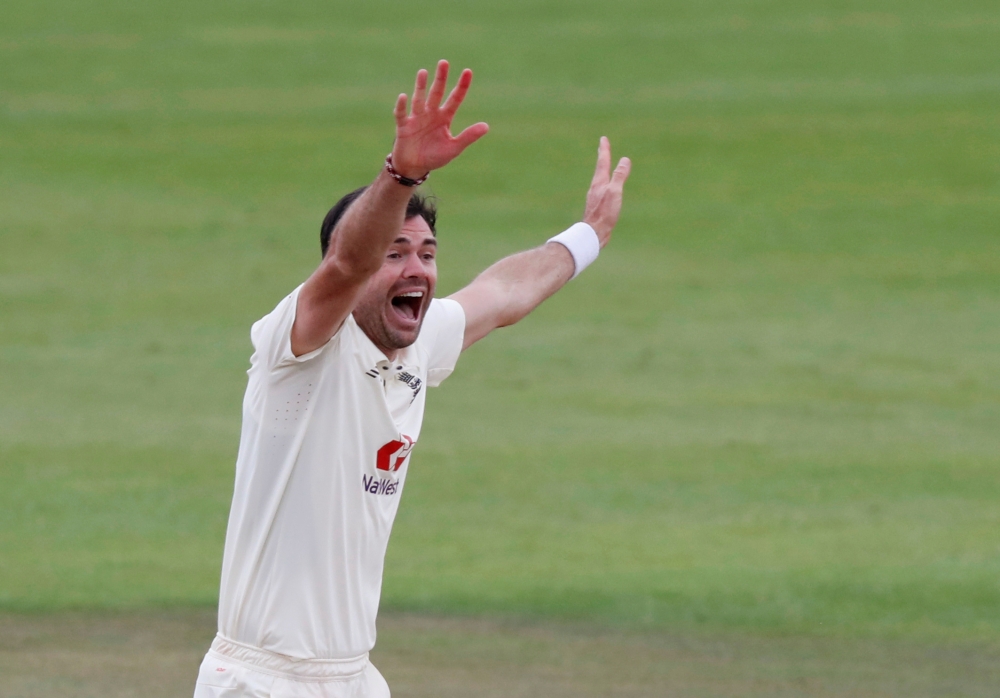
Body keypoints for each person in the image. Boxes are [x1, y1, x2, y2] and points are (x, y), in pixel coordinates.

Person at [192, 59, 631, 698]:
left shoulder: (419, 346)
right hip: (261, 679)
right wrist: (402, 175)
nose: (417, 269)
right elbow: (347, 260)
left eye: (426, 254)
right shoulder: (302, 345)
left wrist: (587, 234)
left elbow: (504, 292)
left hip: (352, 676)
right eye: (395, 253)